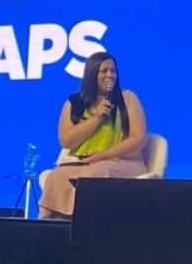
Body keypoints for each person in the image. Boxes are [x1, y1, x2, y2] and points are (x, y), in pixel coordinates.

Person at [39, 52, 149, 218]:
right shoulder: (74, 103)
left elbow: (138, 138)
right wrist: (97, 119)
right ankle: (55, 225)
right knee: (56, 177)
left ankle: (85, 222)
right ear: (92, 74)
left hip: (123, 162)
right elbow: (66, 141)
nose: (110, 75)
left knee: (94, 175)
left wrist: (104, 155)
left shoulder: (128, 98)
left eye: (113, 71)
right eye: (104, 71)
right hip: (84, 162)